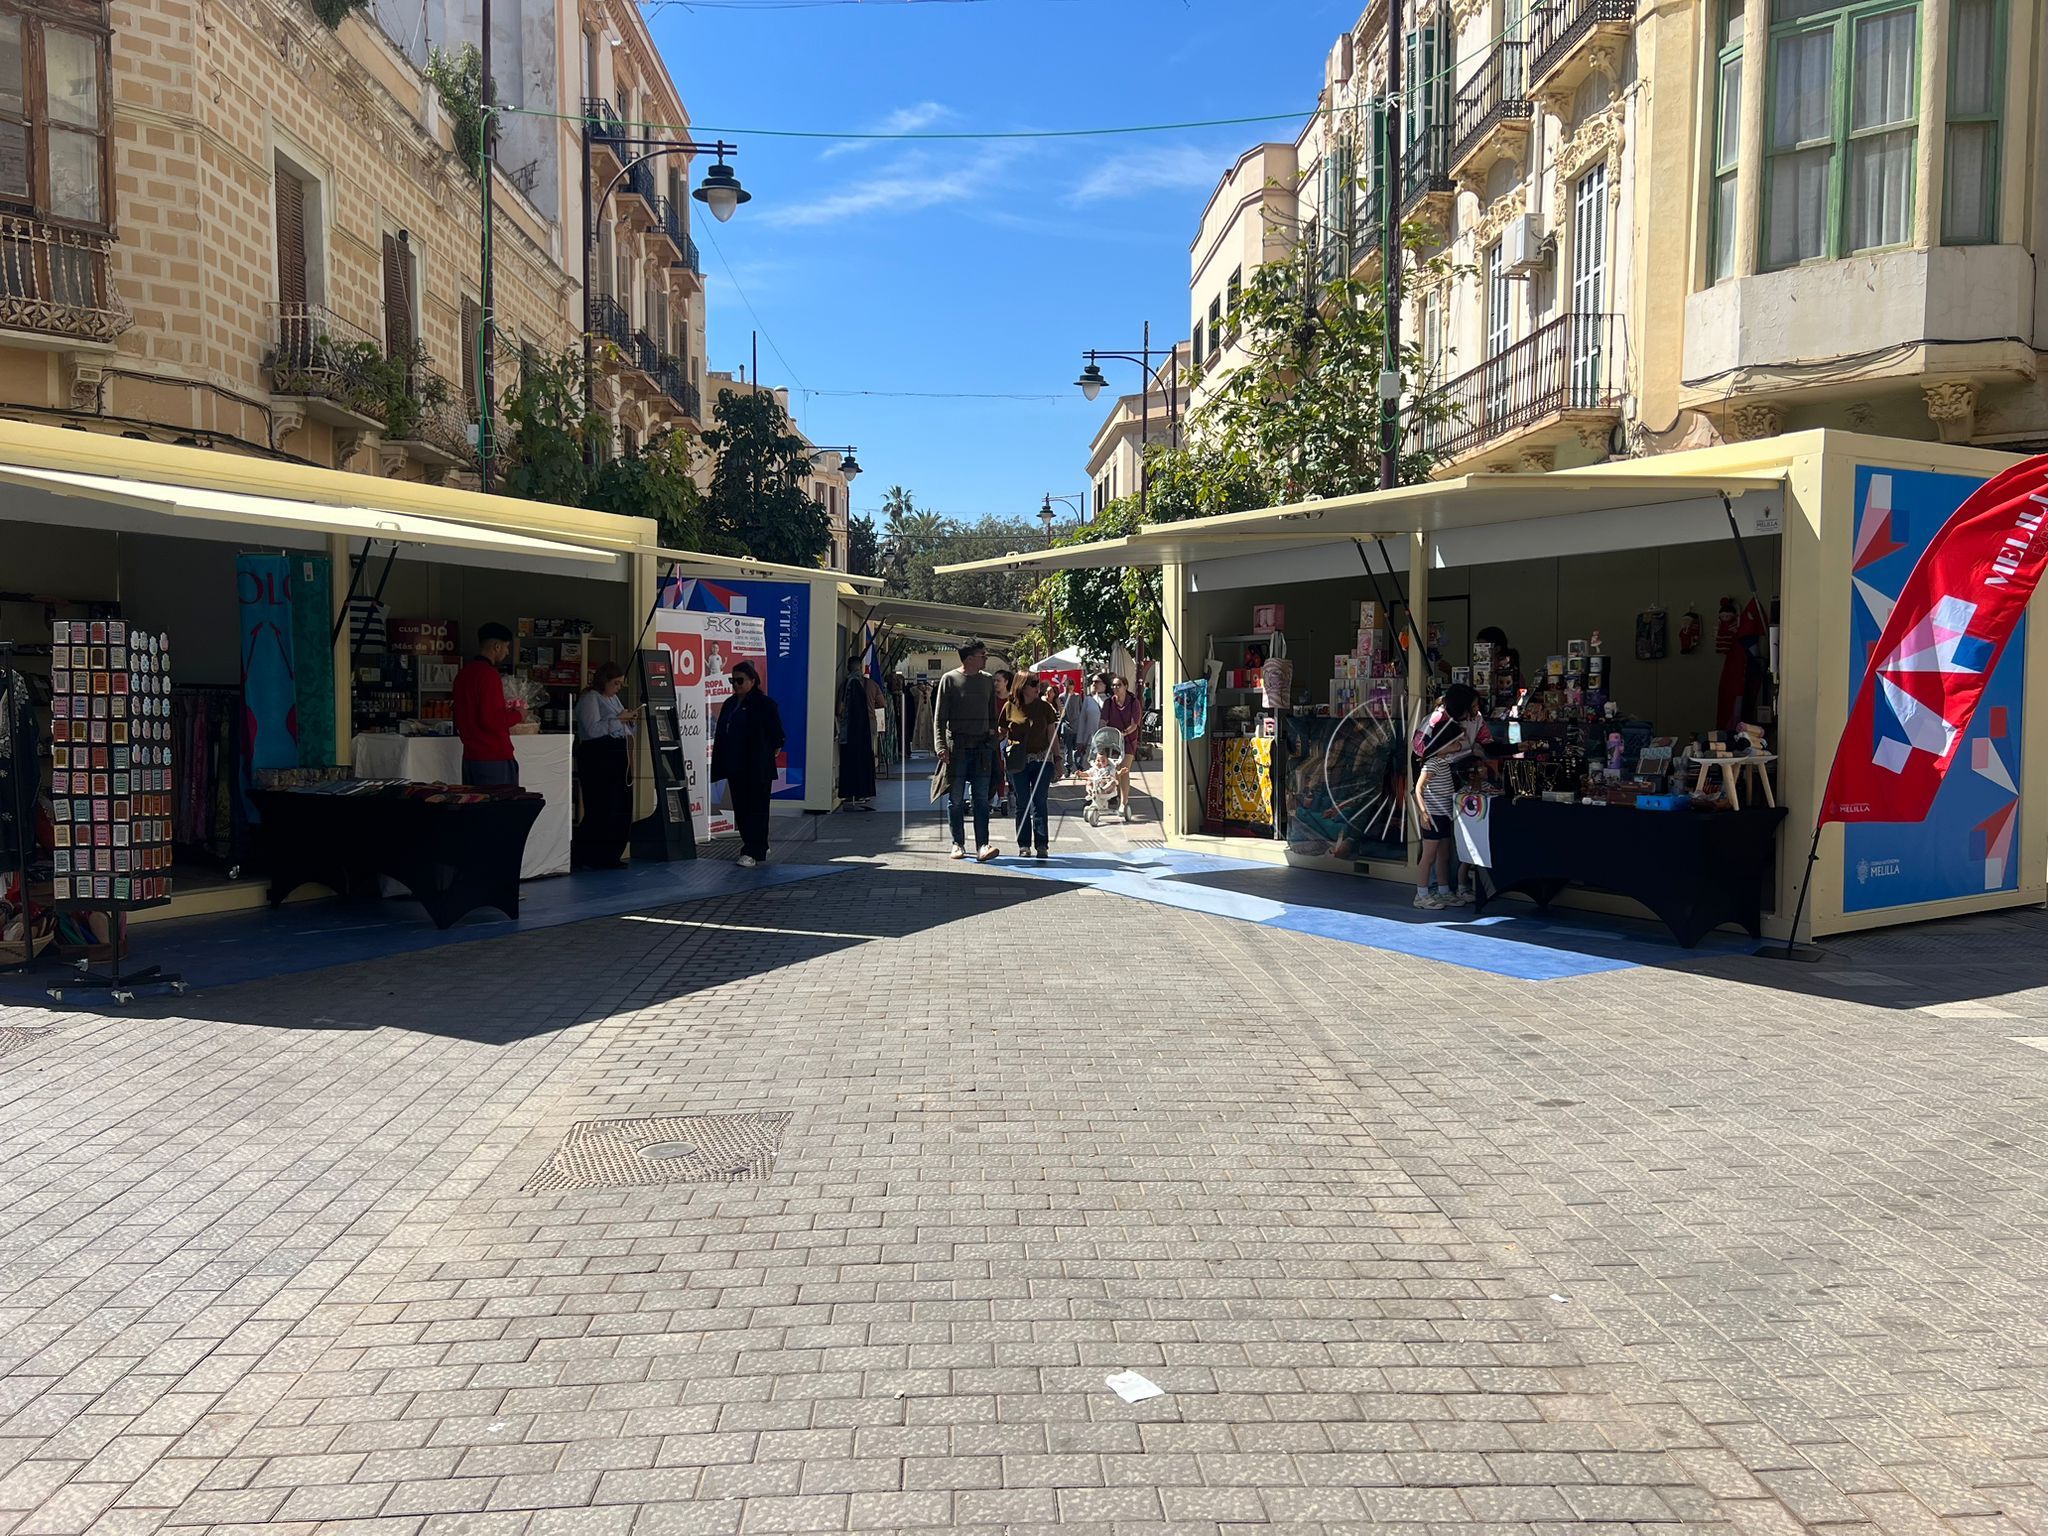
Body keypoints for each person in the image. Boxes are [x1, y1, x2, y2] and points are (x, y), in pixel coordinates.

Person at [712, 661, 785, 868]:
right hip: (736, 766)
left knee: (757, 808)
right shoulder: (729, 704)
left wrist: (765, 755)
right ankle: (758, 843)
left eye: (740, 680)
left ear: (752, 681)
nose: (735, 684)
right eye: (732, 680)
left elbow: (777, 736)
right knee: (742, 809)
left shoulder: (764, 704)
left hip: (756, 767)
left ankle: (752, 850)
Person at [933, 640, 1000, 861]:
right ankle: (957, 843)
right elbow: (940, 718)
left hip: (982, 748)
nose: (986, 658)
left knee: (981, 798)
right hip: (957, 748)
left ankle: (983, 845)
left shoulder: (987, 681)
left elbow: (992, 716)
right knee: (956, 799)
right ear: (969, 658)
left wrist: (992, 740)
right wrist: (941, 746)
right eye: (983, 655)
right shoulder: (949, 680)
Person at [571, 660, 636, 869]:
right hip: (598, 756)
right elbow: (591, 730)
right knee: (601, 806)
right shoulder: (590, 699)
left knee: (619, 806)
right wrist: (619, 720)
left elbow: (622, 726)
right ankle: (588, 855)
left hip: (618, 754)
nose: (618, 688)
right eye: (615, 683)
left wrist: (628, 719)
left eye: (620, 684)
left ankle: (611, 854)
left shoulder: (614, 699)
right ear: (604, 681)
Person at [453, 621, 525, 788]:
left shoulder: (463, 674)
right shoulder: (488, 675)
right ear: (497, 646)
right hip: (493, 756)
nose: (507, 652)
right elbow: (490, 720)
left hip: (470, 756)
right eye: (506, 647)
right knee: (498, 810)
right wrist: (518, 714)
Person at [1411, 717, 1470, 910]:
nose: (1458, 744)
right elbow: (1418, 788)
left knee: (1444, 854)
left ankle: (1443, 891)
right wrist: (1423, 813)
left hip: (1444, 815)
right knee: (1428, 856)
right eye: (1453, 742)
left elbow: (1465, 747)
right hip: (1433, 816)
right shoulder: (1432, 764)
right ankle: (1421, 894)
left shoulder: (1445, 762)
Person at [1002, 672, 1060, 860]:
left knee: (1040, 802)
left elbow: (1052, 735)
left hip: (1042, 760)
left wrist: (1058, 760)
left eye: (1039, 683)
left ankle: (1042, 844)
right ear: (1021, 686)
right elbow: (1001, 732)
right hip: (1019, 762)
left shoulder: (1045, 707)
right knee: (1022, 803)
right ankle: (1024, 844)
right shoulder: (1009, 707)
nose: (1038, 687)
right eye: (1034, 683)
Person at [1100, 673, 1142, 819]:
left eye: (1119, 685)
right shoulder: (1109, 703)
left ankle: (1124, 802)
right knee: (1110, 769)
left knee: (1123, 770)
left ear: (1125, 686)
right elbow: (1103, 721)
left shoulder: (1133, 702)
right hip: (1111, 740)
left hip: (1128, 739)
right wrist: (1101, 733)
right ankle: (1111, 795)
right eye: (1113, 685)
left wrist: (1124, 734)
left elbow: (1134, 724)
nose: (1115, 688)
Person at [839, 655, 877, 810]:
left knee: (851, 762)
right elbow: (882, 702)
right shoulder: (870, 683)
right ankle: (863, 792)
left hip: (850, 731)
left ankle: (853, 793)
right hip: (867, 726)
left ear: (848, 667)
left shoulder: (848, 684)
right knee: (865, 758)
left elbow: (840, 709)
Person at [989, 668, 1014, 814]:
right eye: (994, 680)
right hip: (994, 739)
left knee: (1009, 769)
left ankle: (1009, 794)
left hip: (1010, 739)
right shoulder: (990, 699)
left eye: (998, 680)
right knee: (996, 769)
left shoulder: (1013, 700)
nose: (995, 683)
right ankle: (996, 797)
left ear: (1006, 682)